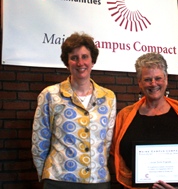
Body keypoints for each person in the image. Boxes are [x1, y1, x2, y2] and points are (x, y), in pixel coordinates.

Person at [31, 32, 116, 189]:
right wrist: (45, 175)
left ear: (92, 61)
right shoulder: (50, 95)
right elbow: (39, 141)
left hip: (97, 181)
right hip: (59, 180)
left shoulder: (108, 97)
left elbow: (107, 142)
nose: (80, 62)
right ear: (67, 62)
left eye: (85, 57)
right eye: (74, 57)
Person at [110, 52, 178, 189]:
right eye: (147, 79)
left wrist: (177, 184)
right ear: (139, 83)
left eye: (158, 78)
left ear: (166, 79)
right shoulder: (124, 116)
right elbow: (116, 157)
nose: (153, 83)